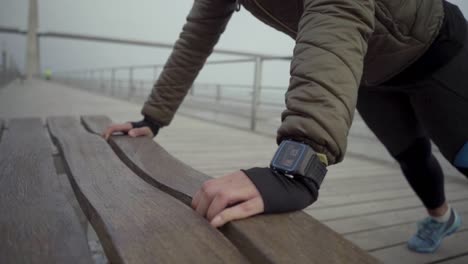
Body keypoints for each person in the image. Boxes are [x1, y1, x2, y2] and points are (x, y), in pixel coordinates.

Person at [103, 0, 468, 254]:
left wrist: (299, 161)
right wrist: (152, 118)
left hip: (435, 49)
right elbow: (196, 35)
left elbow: (336, 9)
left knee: (463, 155)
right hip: (367, 69)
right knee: (410, 153)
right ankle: (442, 218)